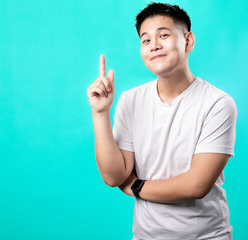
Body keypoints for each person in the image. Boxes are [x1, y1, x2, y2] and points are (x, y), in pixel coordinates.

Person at [86, 2, 237, 240]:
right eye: (145, 40)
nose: (154, 45)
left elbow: (196, 185)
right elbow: (114, 177)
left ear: (188, 41)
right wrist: (100, 113)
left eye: (163, 35)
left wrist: (136, 186)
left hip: (206, 236)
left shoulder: (217, 103)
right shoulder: (130, 100)